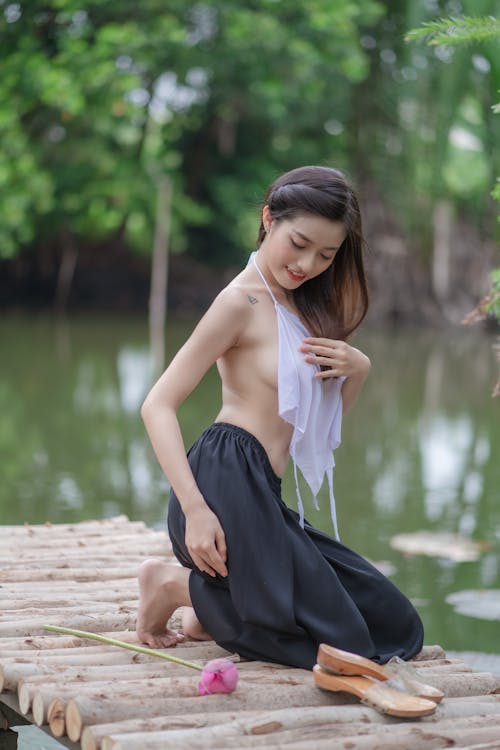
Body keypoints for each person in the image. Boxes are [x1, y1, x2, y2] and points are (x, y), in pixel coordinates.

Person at [136, 165, 424, 670]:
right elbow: (157, 404)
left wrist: (358, 370)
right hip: (223, 480)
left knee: (394, 622)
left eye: (326, 255)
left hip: (264, 493)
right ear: (268, 219)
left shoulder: (304, 310)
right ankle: (170, 585)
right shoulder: (238, 303)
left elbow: (317, 427)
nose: (308, 263)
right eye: (299, 243)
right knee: (340, 646)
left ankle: (208, 609)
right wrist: (196, 508)